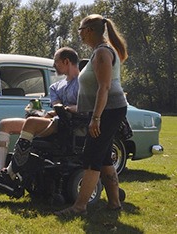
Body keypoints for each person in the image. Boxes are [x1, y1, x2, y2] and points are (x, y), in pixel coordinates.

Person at [0, 47, 81, 198]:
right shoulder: (56, 87)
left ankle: (10, 174)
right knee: (5, 124)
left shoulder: (83, 83)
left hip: (68, 125)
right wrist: (52, 111)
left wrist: (69, 108)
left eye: (56, 62)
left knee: (31, 122)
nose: (54, 66)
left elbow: (86, 107)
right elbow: (57, 107)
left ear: (66, 62)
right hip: (56, 119)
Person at [54, 14, 128, 216]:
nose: (80, 35)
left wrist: (95, 118)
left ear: (88, 30)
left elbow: (104, 88)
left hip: (108, 111)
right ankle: (114, 203)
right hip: (107, 110)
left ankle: (80, 206)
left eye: (80, 30)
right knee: (103, 157)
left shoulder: (103, 53)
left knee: (91, 156)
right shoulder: (99, 51)